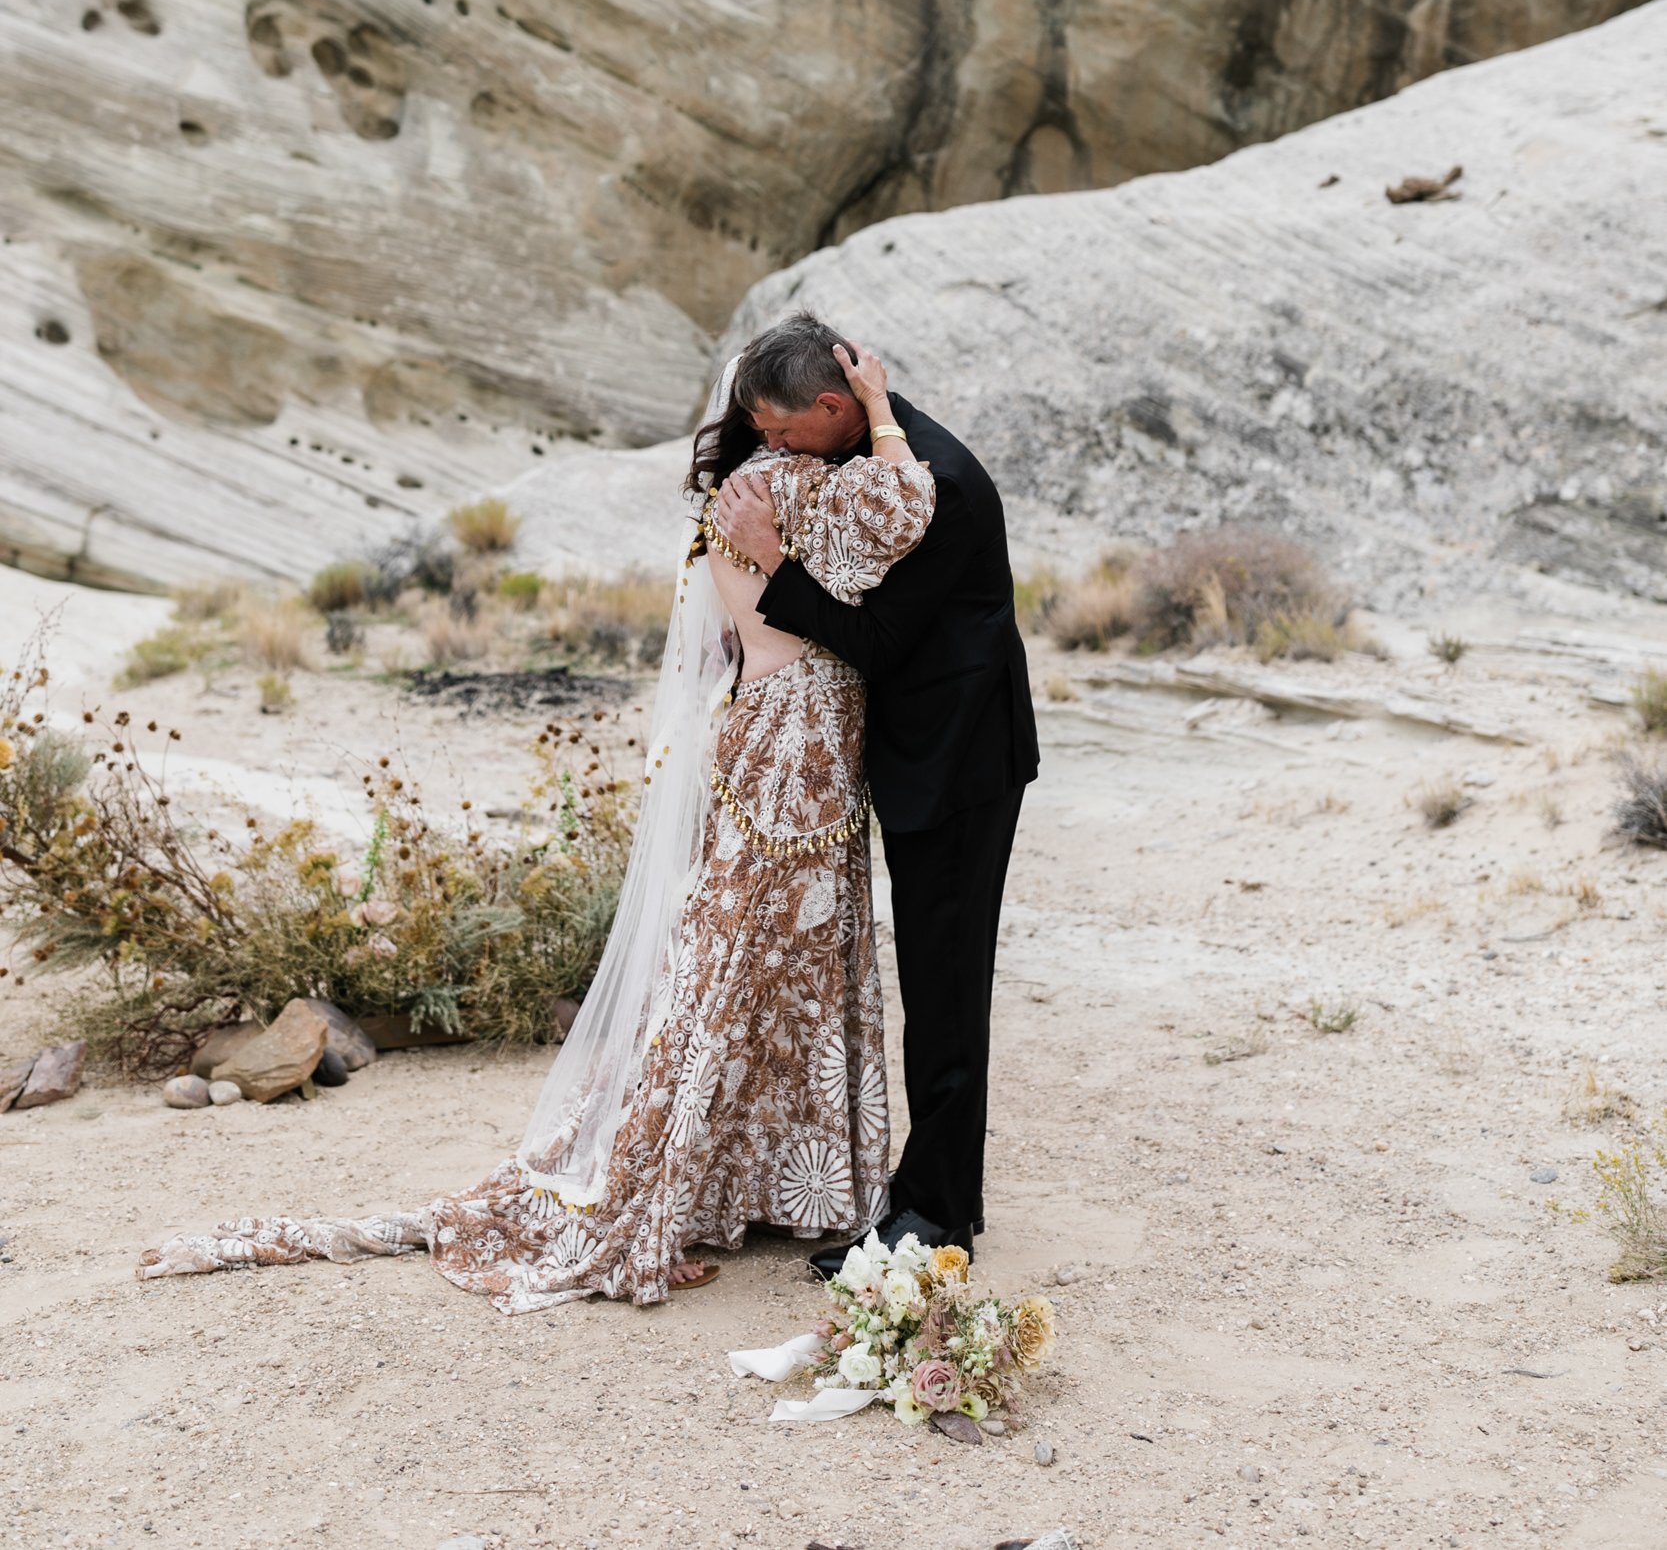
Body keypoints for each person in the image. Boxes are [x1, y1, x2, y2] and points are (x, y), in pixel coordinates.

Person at [138, 332, 932, 1310]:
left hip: (754, 729)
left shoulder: (737, 485)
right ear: (796, 411)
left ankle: (726, 1177)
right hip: (797, 746)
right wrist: (884, 408)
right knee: (761, 968)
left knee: (747, 963)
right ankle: (668, 1182)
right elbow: (908, 505)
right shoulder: (795, 487)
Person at [711, 311, 1037, 1273]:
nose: (770, 446)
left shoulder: (937, 483)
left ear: (830, 404)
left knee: (945, 987)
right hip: (915, 754)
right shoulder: (863, 448)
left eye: (780, 430)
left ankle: (933, 1219)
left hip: (959, 764)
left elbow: (882, 639)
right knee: (932, 984)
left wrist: (772, 559)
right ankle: (933, 1200)